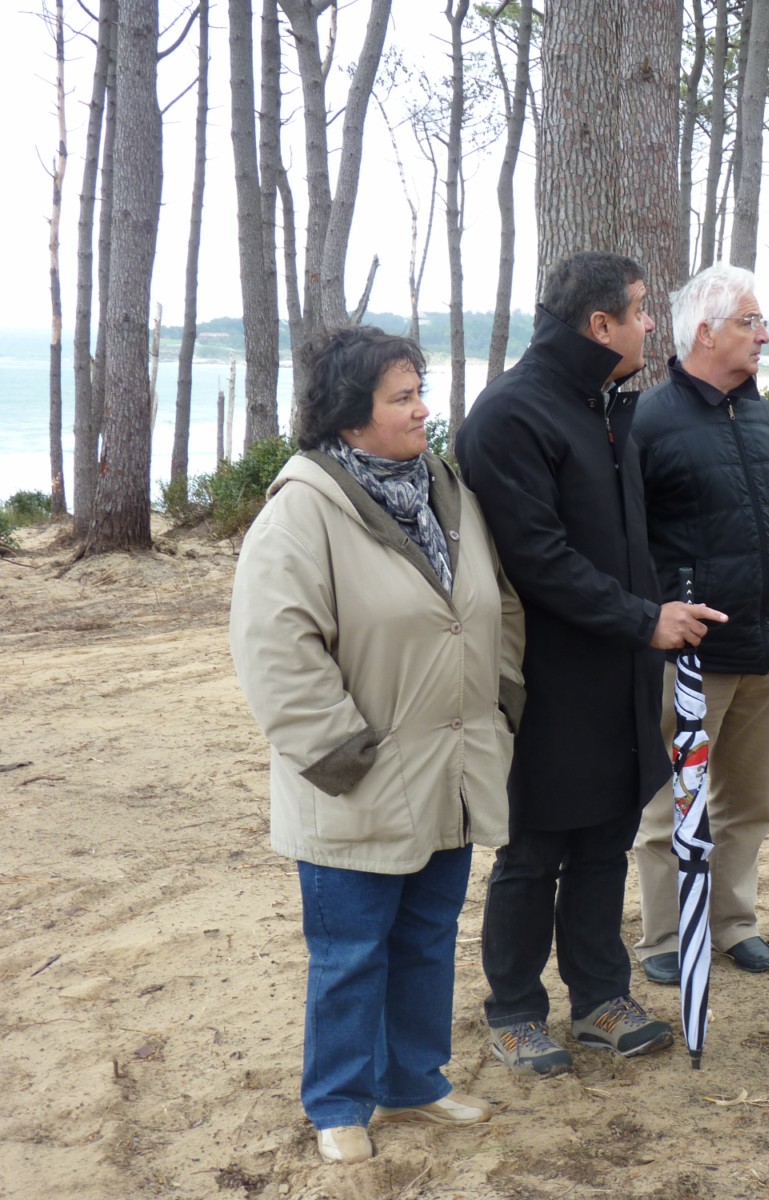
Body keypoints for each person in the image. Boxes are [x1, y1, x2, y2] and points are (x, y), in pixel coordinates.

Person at [230, 326, 523, 1164]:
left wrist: (501, 697)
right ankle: (339, 1103)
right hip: (357, 783)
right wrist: (345, 755)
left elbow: (495, 602)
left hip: (451, 770)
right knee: (352, 952)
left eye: (419, 392)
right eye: (402, 398)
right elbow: (275, 649)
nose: (423, 411)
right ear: (350, 416)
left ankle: (412, 1083)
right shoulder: (301, 510)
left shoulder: (442, 489)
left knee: (427, 937)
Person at [454, 252, 726, 1077]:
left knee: (605, 838)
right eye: (641, 311)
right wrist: (646, 620)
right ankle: (513, 1010)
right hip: (542, 676)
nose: (652, 325)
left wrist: (655, 615)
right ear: (599, 325)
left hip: (621, 667)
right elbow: (537, 558)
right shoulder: (510, 415)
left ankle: (601, 995)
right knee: (536, 847)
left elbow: (626, 538)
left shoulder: (609, 407)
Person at [629, 263, 769, 985]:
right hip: (691, 655)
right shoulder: (647, 421)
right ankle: (665, 937)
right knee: (674, 804)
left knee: (748, 803)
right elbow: (627, 543)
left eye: (761, 323)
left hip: (765, 644)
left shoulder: (762, 417)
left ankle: (732, 923)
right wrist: (656, 615)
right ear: (704, 332)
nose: (764, 335)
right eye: (749, 322)